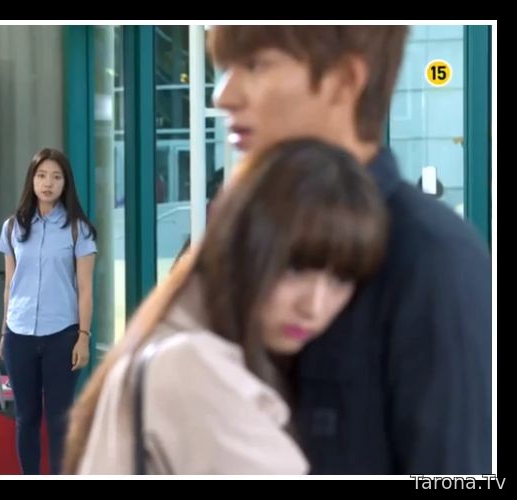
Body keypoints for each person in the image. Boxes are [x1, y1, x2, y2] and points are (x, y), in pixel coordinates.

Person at [207, 25, 491, 474]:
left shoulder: (434, 259)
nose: (224, 96)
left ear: (344, 81)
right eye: (226, 68)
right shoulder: (239, 235)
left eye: (255, 65)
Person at [63, 138, 388, 474]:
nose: (314, 306)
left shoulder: (183, 342)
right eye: (295, 269)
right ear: (243, 246)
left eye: (341, 279)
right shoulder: (193, 367)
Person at [0, 147, 98, 474]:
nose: (48, 183)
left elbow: (85, 288)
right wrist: (4, 334)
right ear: (32, 180)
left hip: (62, 335)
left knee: (59, 420)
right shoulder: (13, 227)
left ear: (65, 184)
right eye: (41, 176)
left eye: (56, 177)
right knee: (25, 418)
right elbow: (10, 285)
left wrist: (83, 336)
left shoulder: (78, 229)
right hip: (20, 333)